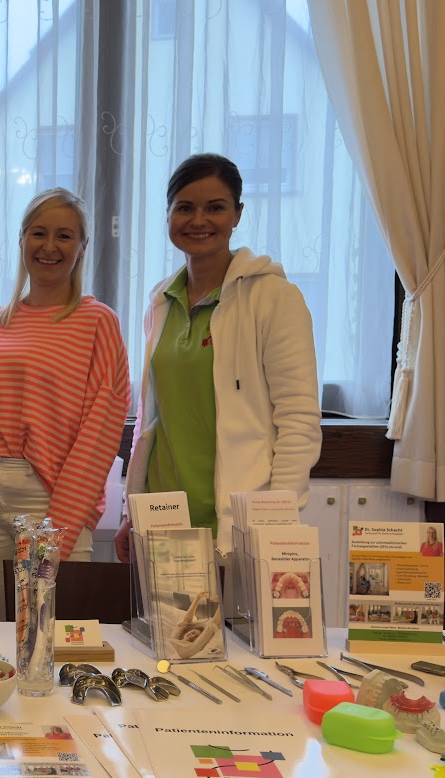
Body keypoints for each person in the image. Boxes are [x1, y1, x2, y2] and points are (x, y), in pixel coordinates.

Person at [116, 153, 320, 562]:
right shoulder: (161, 301)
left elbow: (299, 420)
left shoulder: (274, 298)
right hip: (162, 519)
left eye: (215, 208)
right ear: (168, 214)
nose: (199, 220)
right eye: (185, 208)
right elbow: (151, 419)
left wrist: (275, 522)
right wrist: (130, 508)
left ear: (237, 214)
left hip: (236, 525)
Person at [0, 188, 130, 621]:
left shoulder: (98, 321)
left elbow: (101, 429)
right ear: (22, 240)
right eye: (38, 233)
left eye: (64, 236)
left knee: (50, 635)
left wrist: (62, 523)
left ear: (82, 246)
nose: (49, 246)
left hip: (51, 498)